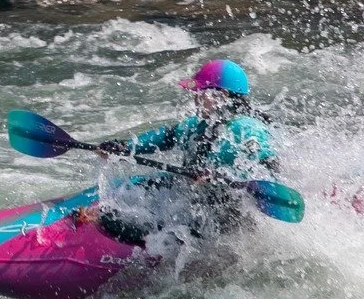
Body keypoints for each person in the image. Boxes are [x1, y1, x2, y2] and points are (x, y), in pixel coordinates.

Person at [94, 58, 278, 243]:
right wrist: (124, 147)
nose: (195, 97)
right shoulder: (201, 124)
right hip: (196, 198)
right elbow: (167, 137)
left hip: (230, 213)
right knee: (140, 187)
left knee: (115, 223)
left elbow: (263, 164)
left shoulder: (247, 128)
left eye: (201, 92)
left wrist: (217, 175)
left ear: (221, 96)